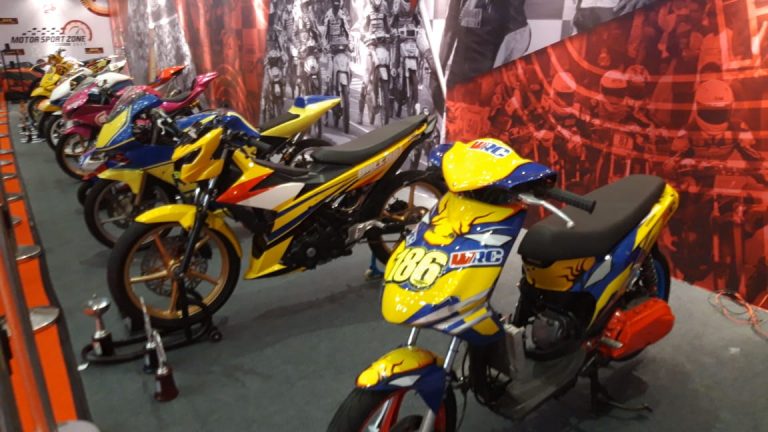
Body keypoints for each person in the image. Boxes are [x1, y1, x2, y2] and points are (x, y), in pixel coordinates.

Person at [666, 79, 766, 291]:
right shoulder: (688, 132)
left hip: (727, 182)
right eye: (710, 113)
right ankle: (676, 239)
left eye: (719, 113)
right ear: (698, 109)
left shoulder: (739, 129)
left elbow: (753, 155)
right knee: (679, 203)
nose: (714, 118)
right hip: (698, 182)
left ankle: (747, 231)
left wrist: (762, 172)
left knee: (757, 201)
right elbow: (673, 158)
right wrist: (675, 168)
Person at [439, 0, 530, 89]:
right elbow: (450, 27)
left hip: (484, 80)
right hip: (456, 78)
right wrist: (437, 73)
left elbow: (519, 34)